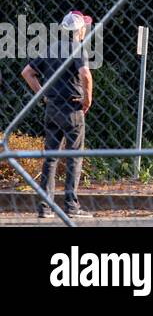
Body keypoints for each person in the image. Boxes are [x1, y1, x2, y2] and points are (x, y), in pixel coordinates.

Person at [20, 11, 95, 219]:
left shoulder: (50, 48)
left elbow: (27, 72)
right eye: (84, 28)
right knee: (74, 157)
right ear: (79, 29)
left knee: (50, 158)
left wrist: (42, 94)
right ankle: (71, 206)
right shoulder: (78, 49)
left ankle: (45, 207)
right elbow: (85, 75)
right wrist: (87, 100)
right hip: (72, 109)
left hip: (52, 109)